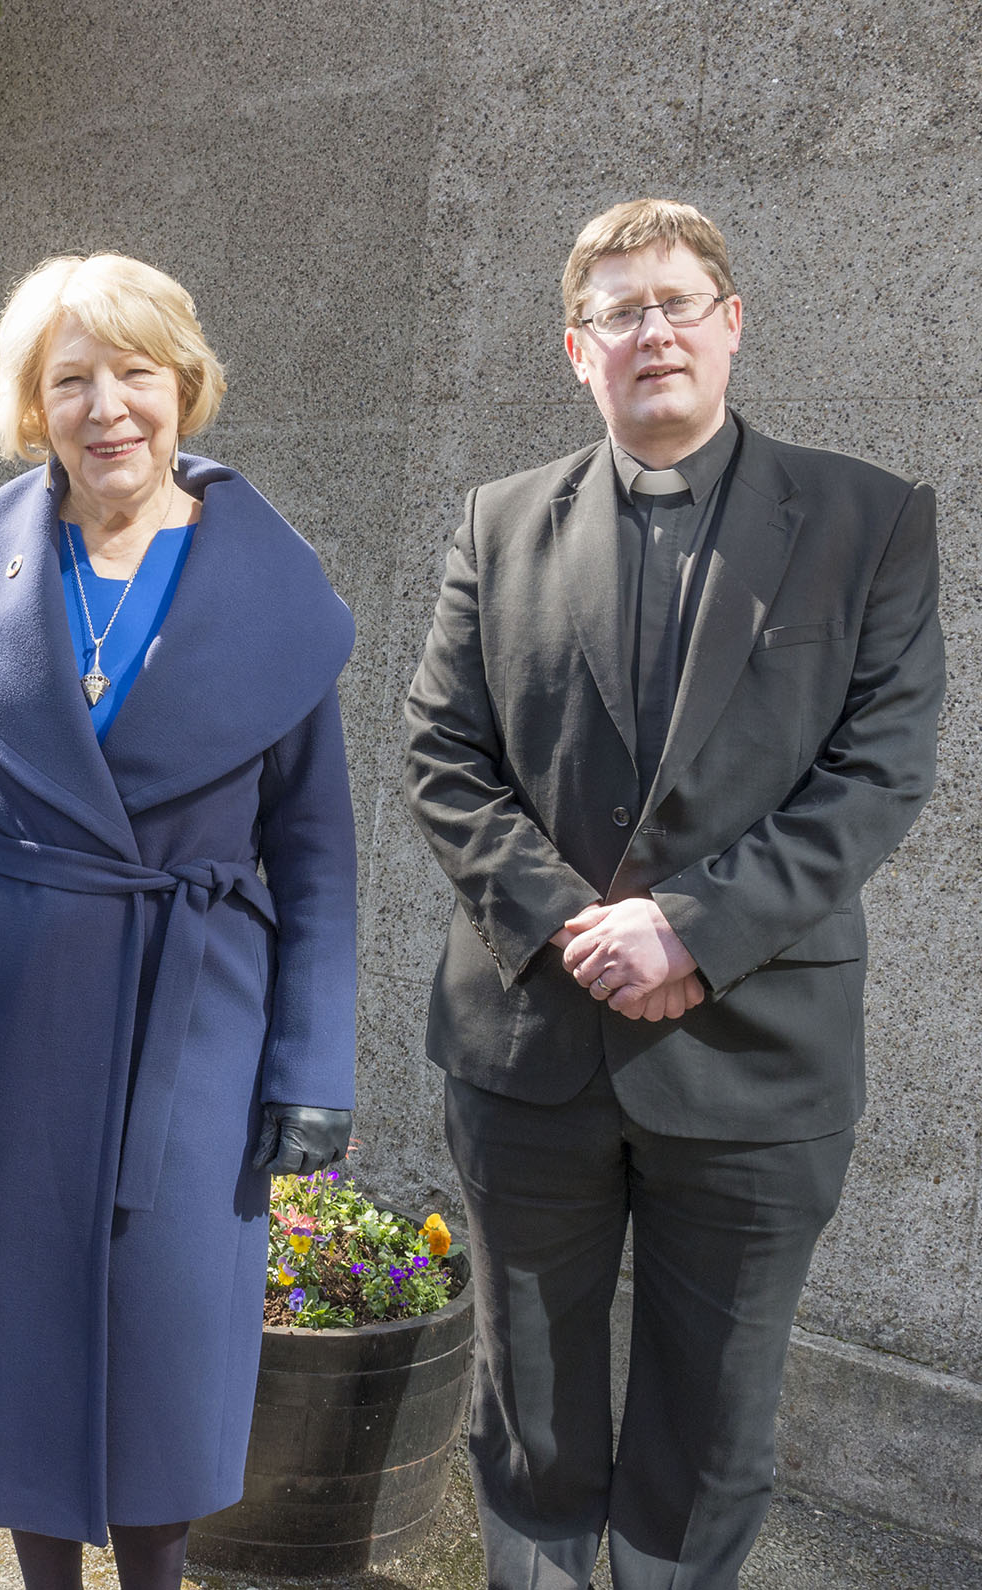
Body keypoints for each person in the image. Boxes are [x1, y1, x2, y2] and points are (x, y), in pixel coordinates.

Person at [402, 198, 944, 1590]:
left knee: (710, 1426)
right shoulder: (499, 521)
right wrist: (577, 930)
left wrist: (689, 927)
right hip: (532, 1054)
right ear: (575, 351)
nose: (653, 332)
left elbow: (877, 773)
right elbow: (444, 755)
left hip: (756, 1063)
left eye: (678, 302)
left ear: (732, 325)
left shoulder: (869, 521)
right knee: (529, 1407)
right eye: (620, 312)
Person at [0, 253, 359, 1590]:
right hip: (6, 1014)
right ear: (31, 404)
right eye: (69, 378)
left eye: (134, 371)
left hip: (191, 1023)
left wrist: (312, 1066)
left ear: (183, 384)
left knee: (165, 1335)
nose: (107, 405)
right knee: (19, 1336)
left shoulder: (275, 583)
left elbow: (315, 851)